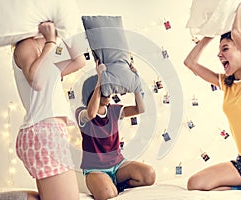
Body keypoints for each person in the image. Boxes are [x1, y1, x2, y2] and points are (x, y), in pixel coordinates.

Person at [184, 0, 241, 197]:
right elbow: (190, 62)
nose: (219, 55)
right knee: (195, 183)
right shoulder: (226, 83)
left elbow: (238, 35)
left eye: (225, 49)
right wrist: (211, 32)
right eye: (219, 51)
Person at [13, 21, 86, 200]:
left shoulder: (46, 45)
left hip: (49, 131)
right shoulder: (26, 45)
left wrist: (64, 32)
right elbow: (36, 80)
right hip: (43, 131)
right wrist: (51, 41)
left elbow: (79, 61)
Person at [75, 60, 156, 200]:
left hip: (118, 165)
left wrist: (136, 81)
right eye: (105, 90)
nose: (109, 94)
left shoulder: (114, 110)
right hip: (95, 169)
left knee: (149, 174)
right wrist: (100, 80)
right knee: (109, 195)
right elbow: (91, 114)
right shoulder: (81, 113)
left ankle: (117, 184)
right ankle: (107, 185)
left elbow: (140, 109)